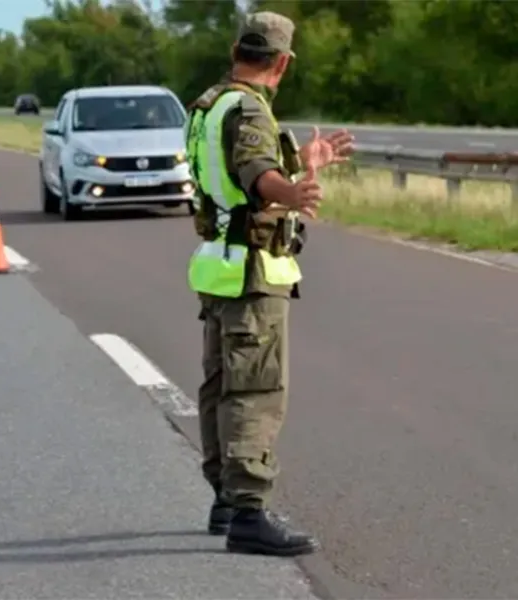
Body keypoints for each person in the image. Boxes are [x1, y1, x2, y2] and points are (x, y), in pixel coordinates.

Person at [185, 12, 354, 557]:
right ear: (281, 63)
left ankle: (225, 500)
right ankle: (249, 513)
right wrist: (291, 192)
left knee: (222, 387)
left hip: (219, 266)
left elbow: (233, 172)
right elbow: (257, 173)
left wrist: (304, 160)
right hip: (253, 274)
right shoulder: (251, 109)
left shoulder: (209, 104)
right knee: (255, 390)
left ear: (236, 50)